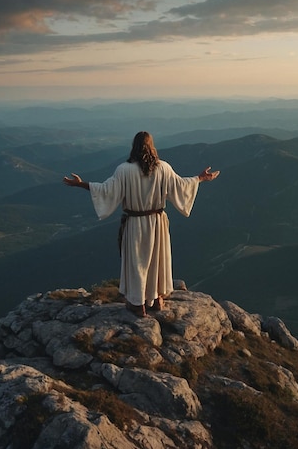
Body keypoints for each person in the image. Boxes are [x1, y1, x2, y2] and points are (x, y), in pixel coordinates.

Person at [63, 131, 219, 317]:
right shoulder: (164, 168)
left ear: (134, 147)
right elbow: (181, 186)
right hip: (157, 222)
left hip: (135, 222)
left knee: (138, 263)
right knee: (156, 260)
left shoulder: (124, 170)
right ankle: (156, 300)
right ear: (152, 146)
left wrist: (80, 184)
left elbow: (106, 190)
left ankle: (138, 304)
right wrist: (201, 178)